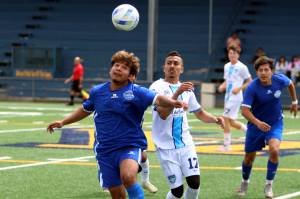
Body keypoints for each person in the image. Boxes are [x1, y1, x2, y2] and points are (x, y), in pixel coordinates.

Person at [47, 50, 185, 199]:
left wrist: (173, 102)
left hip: (129, 145)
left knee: (128, 176)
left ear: (130, 75)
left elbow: (158, 99)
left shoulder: (137, 92)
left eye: (124, 67)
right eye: (116, 65)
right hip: (105, 150)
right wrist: (63, 122)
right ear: (111, 68)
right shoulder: (97, 91)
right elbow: (85, 109)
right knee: (118, 195)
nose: (118, 68)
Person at [149, 51, 224, 199]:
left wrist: (215, 119)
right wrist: (177, 93)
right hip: (165, 147)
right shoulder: (156, 87)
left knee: (195, 182)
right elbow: (163, 114)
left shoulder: (187, 89)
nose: (172, 66)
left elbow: (199, 112)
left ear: (181, 69)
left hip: (185, 144)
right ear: (164, 67)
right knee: (177, 191)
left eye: (176, 63)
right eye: (169, 63)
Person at [237, 56, 298, 198]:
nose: (263, 73)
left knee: (274, 150)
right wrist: (258, 123)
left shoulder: (279, 79)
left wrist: (294, 101)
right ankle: (245, 182)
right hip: (255, 125)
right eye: (260, 70)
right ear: (256, 72)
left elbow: (290, 84)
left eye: (266, 70)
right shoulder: (252, 87)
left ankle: (268, 185)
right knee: (248, 158)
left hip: (275, 123)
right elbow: (244, 111)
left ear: (271, 71)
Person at [218, 45, 252, 151]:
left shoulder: (242, 67)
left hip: (236, 97)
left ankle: (227, 146)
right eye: (230, 53)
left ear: (238, 54)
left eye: (234, 53)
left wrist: (239, 88)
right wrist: (222, 85)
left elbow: (250, 81)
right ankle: (249, 132)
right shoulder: (226, 66)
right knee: (231, 122)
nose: (232, 55)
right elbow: (227, 80)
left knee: (225, 119)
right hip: (227, 96)